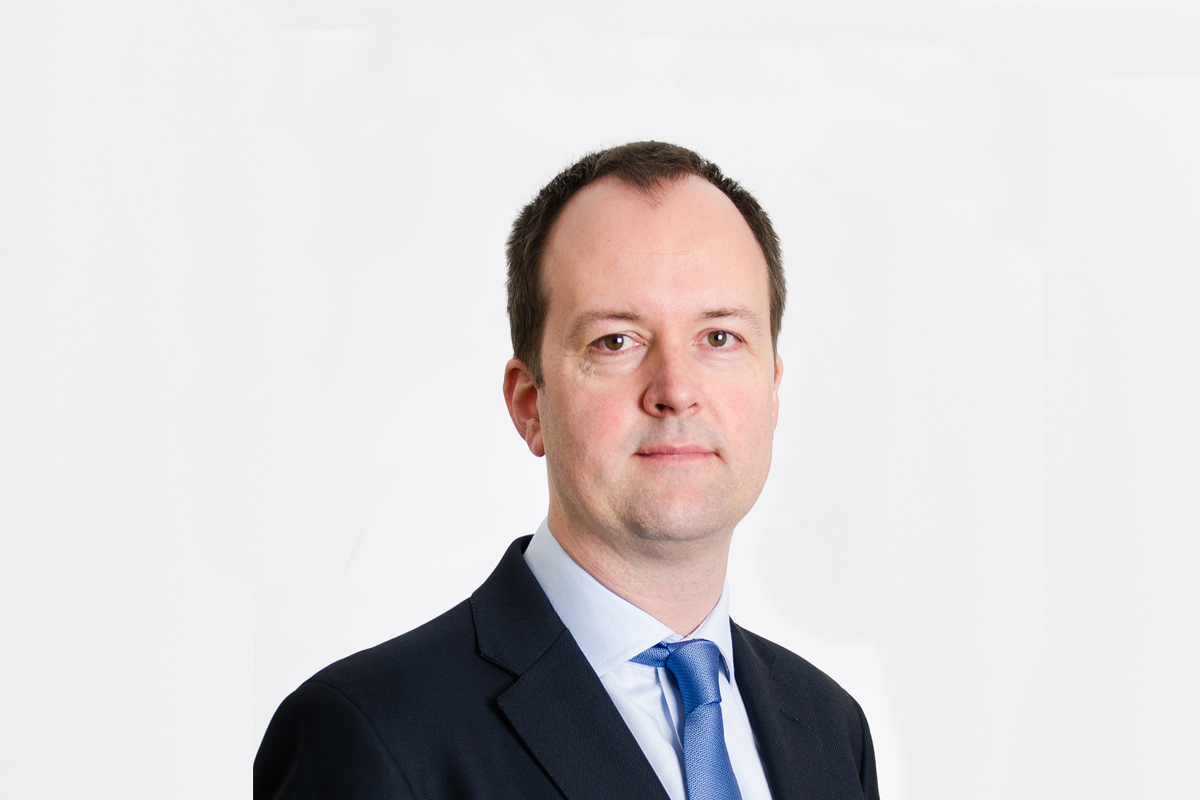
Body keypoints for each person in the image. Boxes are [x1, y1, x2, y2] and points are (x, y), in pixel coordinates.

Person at [254, 142, 879, 800]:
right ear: (530, 404)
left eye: (720, 337)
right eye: (615, 341)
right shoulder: (371, 734)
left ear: (773, 390)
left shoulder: (830, 731)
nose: (676, 390)